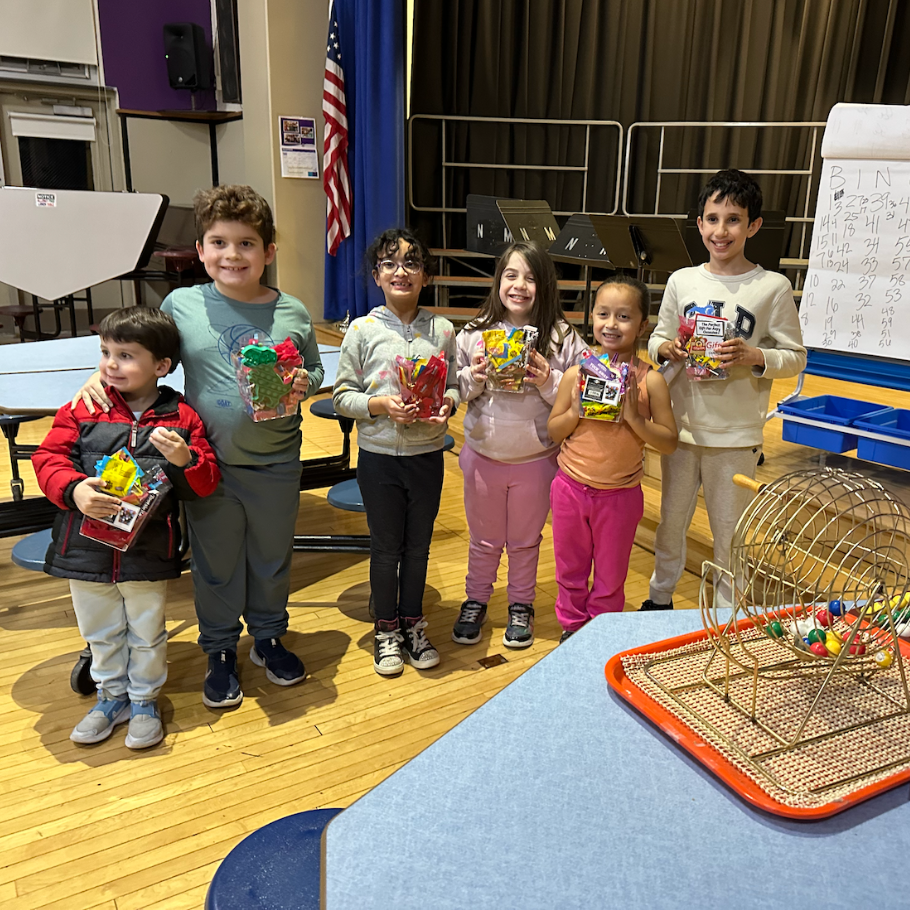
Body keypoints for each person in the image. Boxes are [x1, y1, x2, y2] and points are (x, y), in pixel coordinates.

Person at [73, 185, 324, 708]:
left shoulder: (293, 311)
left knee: (272, 558)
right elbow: (145, 363)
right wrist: (98, 382)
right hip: (204, 464)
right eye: (219, 243)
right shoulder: (181, 305)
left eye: (247, 244)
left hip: (276, 459)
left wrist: (305, 381)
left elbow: (314, 369)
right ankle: (219, 648)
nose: (233, 255)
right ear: (202, 250)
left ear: (269, 251)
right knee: (216, 562)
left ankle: (269, 637)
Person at [34, 307, 220, 747]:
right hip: (85, 548)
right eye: (105, 352)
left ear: (161, 366)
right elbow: (47, 459)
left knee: (146, 631)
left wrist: (185, 461)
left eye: (125, 355)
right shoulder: (83, 407)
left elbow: (205, 483)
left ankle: (143, 700)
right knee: (99, 631)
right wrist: (75, 490)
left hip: (148, 550)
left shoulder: (181, 416)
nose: (111, 364)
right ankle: (109, 697)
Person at [643, 168, 806, 612]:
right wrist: (668, 347)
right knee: (670, 522)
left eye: (733, 219)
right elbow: (656, 339)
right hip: (679, 429)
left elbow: (796, 357)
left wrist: (756, 357)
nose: (721, 230)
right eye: (712, 218)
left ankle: (727, 611)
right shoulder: (681, 280)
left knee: (730, 530)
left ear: (753, 225)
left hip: (735, 435)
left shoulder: (772, 286)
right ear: (699, 224)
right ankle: (659, 597)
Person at [333, 228, 460, 677]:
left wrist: (448, 403)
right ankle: (385, 626)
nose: (400, 271)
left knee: (419, 547)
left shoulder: (443, 330)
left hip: (427, 455)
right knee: (387, 549)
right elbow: (342, 396)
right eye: (390, 263)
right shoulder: (363, 331)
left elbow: (456, 385)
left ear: (426, 275)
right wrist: (380, 405)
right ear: (376, 276)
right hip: (379, 456)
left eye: (411, 263)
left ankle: (412, 622)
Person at [453, 241, 587, 648]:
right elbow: (455, 389)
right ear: (498, 282)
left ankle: (521, 605)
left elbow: (578, 399)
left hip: (537, 459)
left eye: (530, 278)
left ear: (544, 285)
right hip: (483, 456)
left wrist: (550, 380)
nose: (519, 286)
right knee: (484, 539)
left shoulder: (563, 337)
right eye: (511, 275)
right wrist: (474, 378)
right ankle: (476, 599)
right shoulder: (474, 334)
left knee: (526, 540)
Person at [547, 276, 678, 640]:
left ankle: (600, 633)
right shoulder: (576, 375)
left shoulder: (650, 382)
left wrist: (636, 419)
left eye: (623, 316)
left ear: (642, 325)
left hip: (620, 495)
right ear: (592, 317)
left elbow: (669, 442)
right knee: (570, 569)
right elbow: (554, 431)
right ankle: (572, 628)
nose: (611, 323)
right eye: (603, 314)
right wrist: (575, 411)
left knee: (610, 573)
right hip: (571, 488)